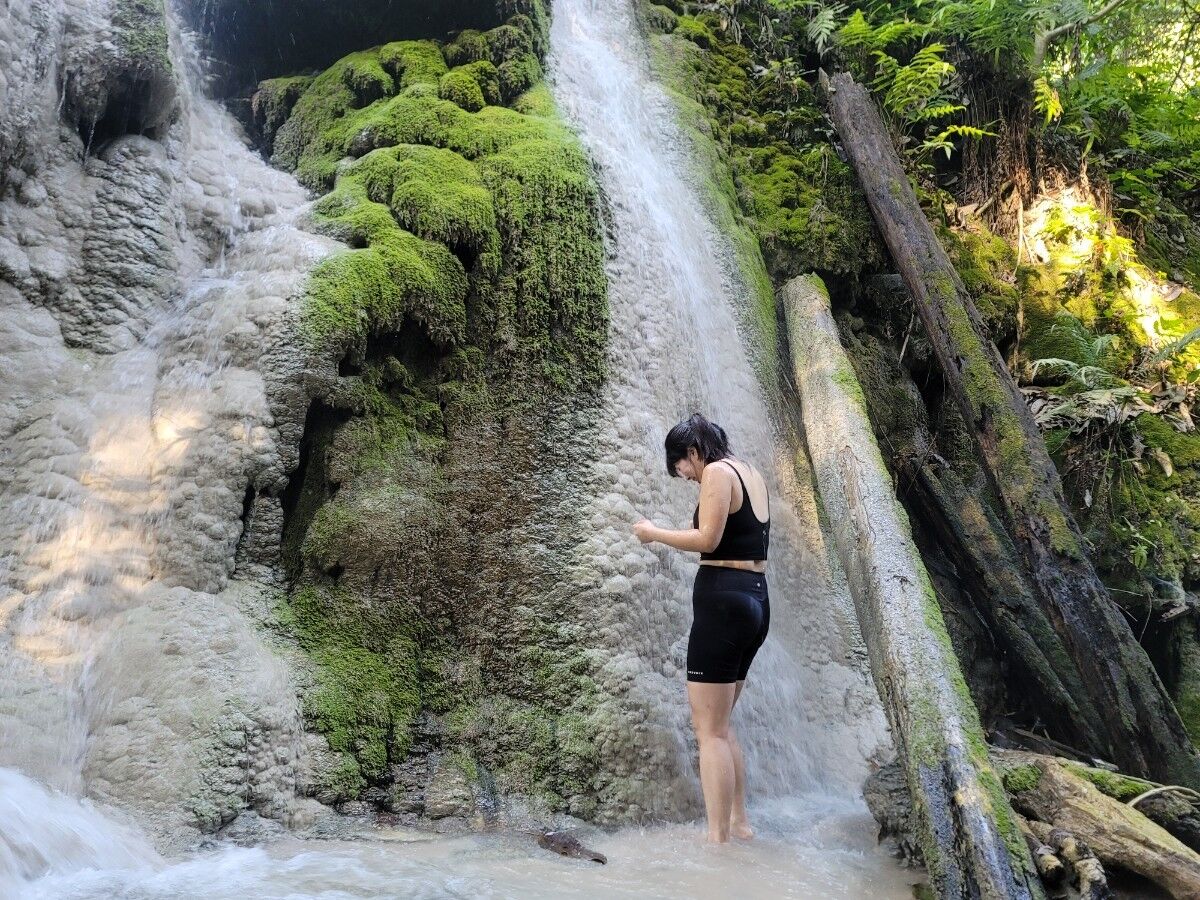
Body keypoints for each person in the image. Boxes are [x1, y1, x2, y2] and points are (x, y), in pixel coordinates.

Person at [633, 413, 771, 844]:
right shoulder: (750, 472)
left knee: (708, 731)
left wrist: (654, 533)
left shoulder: (716, 471)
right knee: (723, 725)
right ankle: (739, 824)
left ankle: (717, 842)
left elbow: (707, 539)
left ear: (693, 452)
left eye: (682, 467)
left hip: (723, 601)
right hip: (756, 599)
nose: (688, 477)